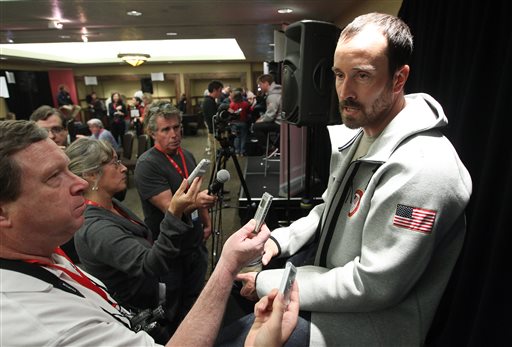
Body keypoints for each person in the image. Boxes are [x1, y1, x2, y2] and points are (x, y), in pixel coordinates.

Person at [233, 12, 472, 346]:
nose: (345, 92)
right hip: (331, 293)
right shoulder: (364, 134)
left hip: (371, 328)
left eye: (362, 76)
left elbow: (374, 285)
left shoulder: (423, 168)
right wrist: (279, 241)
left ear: (399, 79)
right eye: (338, 75)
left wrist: (268, 283)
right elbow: (327, 209)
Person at [0, 119, 298, 347]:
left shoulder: (46, 255)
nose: (76, 183)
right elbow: (148, 265)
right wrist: (227, 264)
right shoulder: (41, 323)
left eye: (69, 169)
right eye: (54, 177)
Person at [66, 138, 203, 341]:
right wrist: (174, 213)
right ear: (91, 174)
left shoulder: (110, 205)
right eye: (114, 163)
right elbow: (151, 265)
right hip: (144, 319)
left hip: (158, 300)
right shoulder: (95, 228)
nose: (123, 168)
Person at [134, 101, 216, 323]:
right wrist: (199, 202)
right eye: (166, 129)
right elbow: (172, 207)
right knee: (171, 307)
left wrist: (205, 223)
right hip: (170, 252)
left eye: (177, 127)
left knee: (195, 299)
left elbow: (196, 192)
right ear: (152, 132)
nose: (174, 134)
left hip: (194, 244)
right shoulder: (147, 165)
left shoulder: (186, 154)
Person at [252, 74, 282, 155]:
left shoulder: (273, 96)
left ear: (266, 83)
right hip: (280, 121)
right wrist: (261, 119)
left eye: (260, 85)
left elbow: (270, 116)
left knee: (255, 127)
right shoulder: (276, 92)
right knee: (260, 125)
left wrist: (260, 120)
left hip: (280, 123)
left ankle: (271, 148)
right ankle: (274, 146)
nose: (260, 87)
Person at [202, 80, 224, 155]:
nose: (221, 93)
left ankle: (215, 167)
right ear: (214, 90)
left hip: (214, 131)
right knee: (219, 155)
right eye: (220, 91)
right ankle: (217, 167)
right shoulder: (208, 102)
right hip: (214, 132)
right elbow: (214, 118)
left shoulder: (210, 100)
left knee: (216, 155)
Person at [229, 90, 251, 156]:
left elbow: (230, 113)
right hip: (243, 123)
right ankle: (242, 152)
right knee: (243, 137)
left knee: (236, 137)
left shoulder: (232, 104)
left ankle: (237, 151)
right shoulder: (246, 104)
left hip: (234, 123)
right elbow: (249, 112)